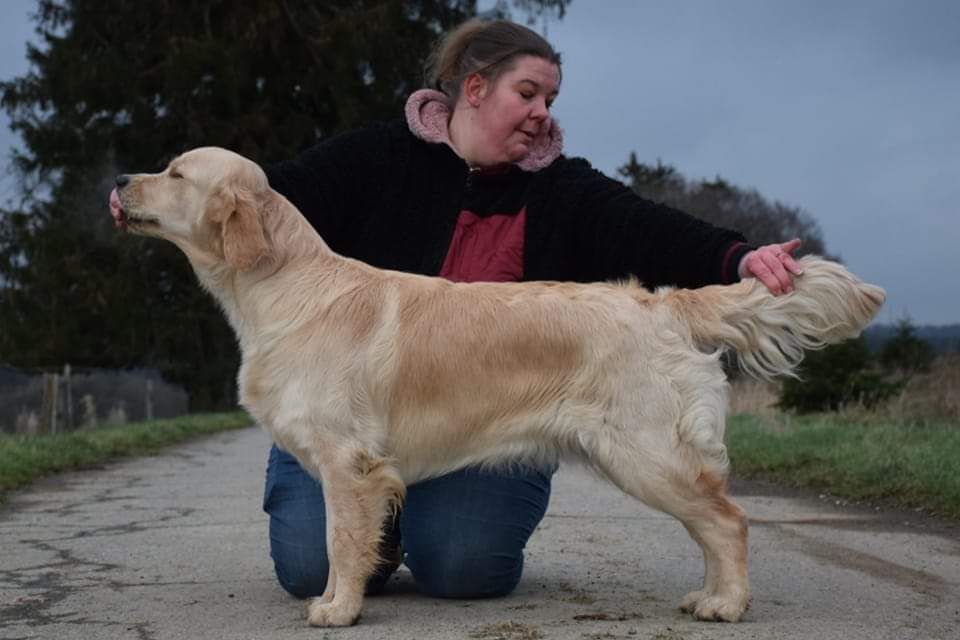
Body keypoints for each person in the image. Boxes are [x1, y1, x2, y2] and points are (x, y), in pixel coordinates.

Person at [261, 18, 803, 602]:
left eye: (550, 98)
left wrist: (740, 259)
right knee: (306, 571)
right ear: (474, 89)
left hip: (496, 422)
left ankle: (410, 526)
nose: (543, 111)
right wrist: (180, 189)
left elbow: (651, 229)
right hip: (352, 412)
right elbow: (267, 195)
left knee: (464, 570)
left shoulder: (562, 188)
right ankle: (380, 530)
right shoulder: (377, 155)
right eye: (527, 93)